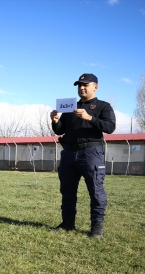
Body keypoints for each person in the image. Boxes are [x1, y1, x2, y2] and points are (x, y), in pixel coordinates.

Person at [50, 73, 116, 237]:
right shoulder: (70, 106)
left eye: (86, 84)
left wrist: (89, 118)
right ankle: (67, 223)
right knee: (67, 190)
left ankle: (96, 227)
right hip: (69, 152)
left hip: (91, 152)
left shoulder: (103, 106)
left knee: (96, 190)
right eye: (79, 85)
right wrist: (55, 120)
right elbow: (60, 130)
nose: (82, 87)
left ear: (95, 87)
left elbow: (110, 127)